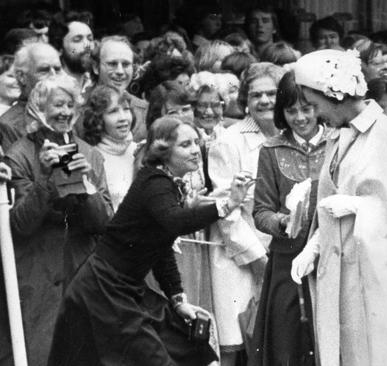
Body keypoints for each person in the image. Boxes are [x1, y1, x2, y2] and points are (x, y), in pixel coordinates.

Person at [48, 116, 255, 366]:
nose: (194, 150)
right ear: (163, 150)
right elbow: (176, 223)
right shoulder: (154, 182)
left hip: (125, 288)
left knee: (188, 348)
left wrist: (178, 300)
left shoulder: (164, 183)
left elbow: (162, 245)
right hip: (103, 290)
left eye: (195, 143)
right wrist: (227, 204)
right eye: (185, 144)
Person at [290, 49, 387, 366]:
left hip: (380, 284)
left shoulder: (386, 133)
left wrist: (359, 206)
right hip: (345, 276)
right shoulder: (340, 135)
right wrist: (315, 246)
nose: (317, 114)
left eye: (316, 105)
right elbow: (332, 202)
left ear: (333, 95)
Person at [2, 73, 112, 366]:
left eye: (70, 106)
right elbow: (21, 224)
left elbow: (103, 223)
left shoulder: (90, 154)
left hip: (81, 273)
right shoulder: (19, 155)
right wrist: (47, 178)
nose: (65, 112)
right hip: (38, 278)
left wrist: (86, 184)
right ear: (39, 109)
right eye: (57, 105)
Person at [207, 62, 285, 366]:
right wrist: (257, 260)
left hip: (283, 251)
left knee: (276, 340)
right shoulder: (229, 140)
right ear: (245, 100)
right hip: (238, 255)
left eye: (271, 93)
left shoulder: (292, 134)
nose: (264, 101)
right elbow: (225, 210)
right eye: (256, 95)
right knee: (235, 345)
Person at [249, 70, 327, 366]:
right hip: (287, 259)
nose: (300, 117)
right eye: (291, 110)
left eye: (306, 108)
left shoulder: (337, 142)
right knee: (286, 342)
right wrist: (282, 222)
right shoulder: (271, 149)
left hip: (331, 257)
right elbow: (260, 212)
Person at [81, 85, 137, 209]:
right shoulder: (91, 158)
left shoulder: (140, 151)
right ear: (98, 119)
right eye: (113, 111)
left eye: (126, 109)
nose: (123, 118)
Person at [0, 42, 62, 152]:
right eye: (44, 70)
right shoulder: (9, 125)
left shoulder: (72, 113)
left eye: (57, 69)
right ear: (22, 77)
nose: (53, 76)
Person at [91, 36, 149, 142]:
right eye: (112, 64)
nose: (120, 71)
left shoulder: (144, 110)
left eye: (126, 64)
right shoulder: (79, 108)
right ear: (96, 67)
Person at [48, 11, 95, 93]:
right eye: (77, 40)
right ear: (59, 49)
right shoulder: (50, 88)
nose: (87, 45)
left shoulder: (97, 83)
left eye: (90, 39)